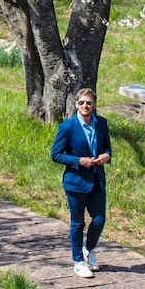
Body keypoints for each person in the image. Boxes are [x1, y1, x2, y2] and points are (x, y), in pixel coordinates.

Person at [50, 86, 111, 277]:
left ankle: (89, 249)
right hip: (75, 182)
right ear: (76, 104)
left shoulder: (101, 123)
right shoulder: (67, 127)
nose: (85, 106)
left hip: (97, 180)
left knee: (99, 219)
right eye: (82, 103)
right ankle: (78, 261)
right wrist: (78, 161)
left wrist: (106, 156)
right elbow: (56, 154)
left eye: (89, 103)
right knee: (77, 223)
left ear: (94, 105)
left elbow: (107, 146)